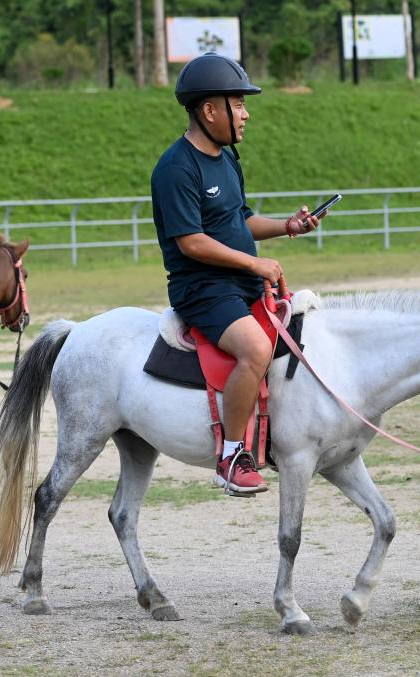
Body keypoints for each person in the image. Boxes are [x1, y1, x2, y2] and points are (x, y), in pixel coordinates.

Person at [150, 52, 322, 496]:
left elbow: (240, 220)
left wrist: (287, 226)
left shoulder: (227, 160)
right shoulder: (175, 168)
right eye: (238, 103)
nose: (245, 114)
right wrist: (254, 262)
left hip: (239, 283)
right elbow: (192, 241)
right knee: (255, 348)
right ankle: (230, 455)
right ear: (210, 110)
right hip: (202, 289)